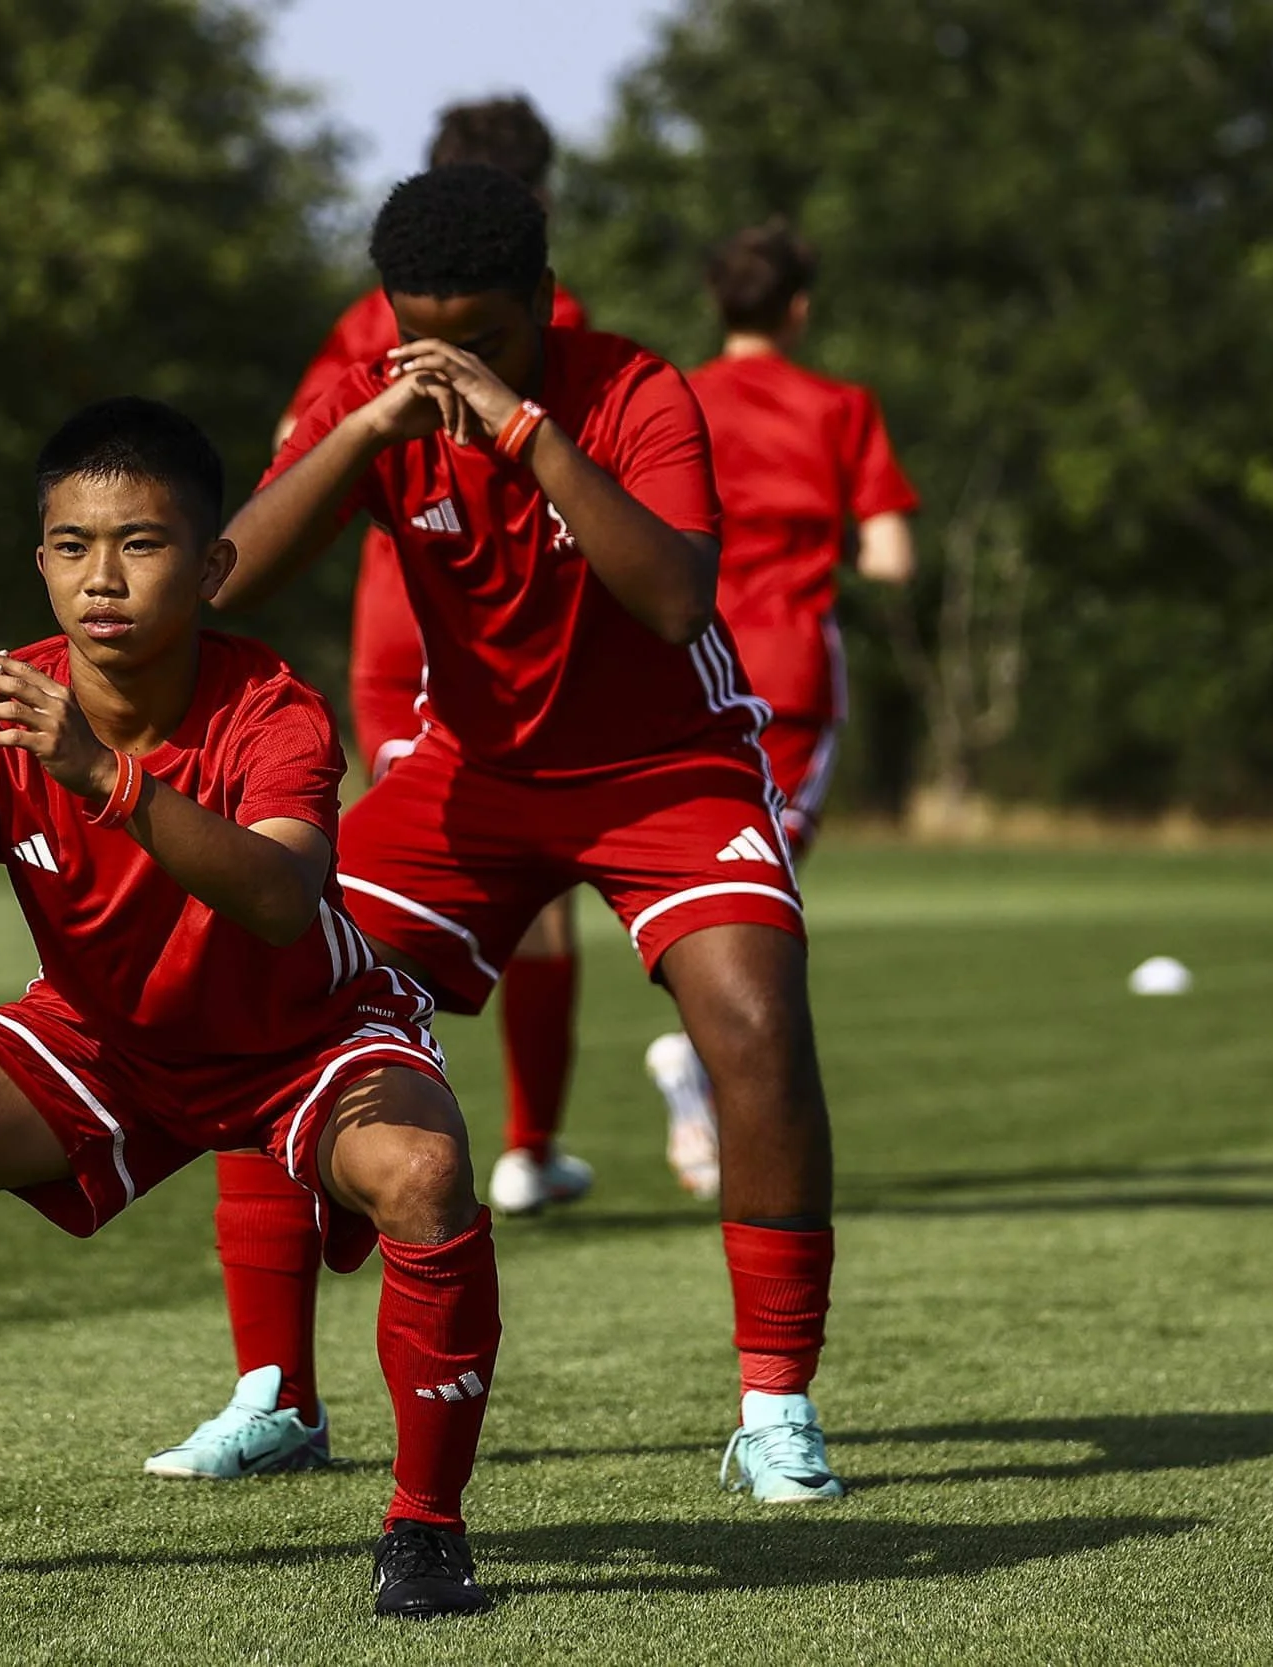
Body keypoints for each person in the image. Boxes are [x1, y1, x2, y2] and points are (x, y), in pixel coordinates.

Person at [0, 398, 502, 1619]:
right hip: (108, 1040)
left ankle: (427, 1528)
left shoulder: (272, 705)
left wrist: (104, 777)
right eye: (72, 545)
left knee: (424, 1173)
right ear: (41, 561)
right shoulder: (9, 707)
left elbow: (282, 900)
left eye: (141, 542)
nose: (102, 576)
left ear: (212, 565)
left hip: (308, 1039)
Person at [205, 165, 849, 1504]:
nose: (449, 366)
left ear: (544, 303)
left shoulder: (635, 390)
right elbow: (226, 580)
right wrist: (360, 431)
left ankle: (776, 1406)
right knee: (266, 981)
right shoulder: (376, 400)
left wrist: (525, 432)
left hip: (668, 768)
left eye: (484, 339)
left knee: (755, 1020)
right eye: (421, 336)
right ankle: (276, 1394)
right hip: (474, 775)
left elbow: (675, 600)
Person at [146, 98, 589, 1490]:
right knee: (284, 958)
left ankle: (488, 1155)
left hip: (528, 698)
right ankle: (285, 1367)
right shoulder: (386, 334)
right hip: (424, 666)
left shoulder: (568, 343)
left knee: (334, 955)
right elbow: (297, 484)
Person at [277, 95, 596, 1218]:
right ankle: (500, 1147)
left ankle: (372, 1135)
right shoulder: (538, 313)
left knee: (384, 900)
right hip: (473, 637)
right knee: (521, 890)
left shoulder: (372, 315)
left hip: (388, 623)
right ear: (536, 199)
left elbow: (291, 444)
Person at [646, 220, 919, 1199]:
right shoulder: (841, 406)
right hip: (790, 672)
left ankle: (702, 1074)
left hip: (680, 661)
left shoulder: (667, 396)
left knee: (698, 868)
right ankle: (703, 1066)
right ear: (798, 308)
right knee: (761, 882)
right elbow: (890, 557)